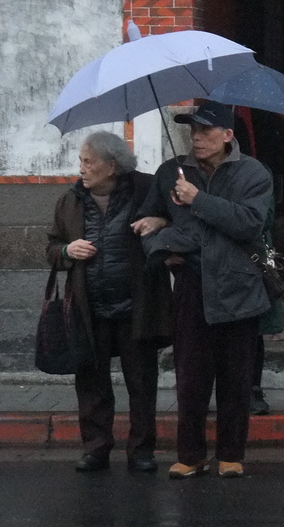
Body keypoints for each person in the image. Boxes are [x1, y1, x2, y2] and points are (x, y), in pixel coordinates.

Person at [131, 100, 273, 480]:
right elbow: (145, 223)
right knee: (190, 377)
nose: (196, 138)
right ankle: (190, 454)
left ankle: (231, 453)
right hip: (192, 286)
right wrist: (162, 249)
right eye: (192, 130)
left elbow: (248, 224)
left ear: (228, 135)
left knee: (236, 378)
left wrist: (198, 199)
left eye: (206, 131)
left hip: (238, 286)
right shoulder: (170, 172)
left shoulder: (252, 173)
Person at [45, 131, 172, 473]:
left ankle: (142, 450)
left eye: (89, 161)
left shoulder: (145, 190)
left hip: (137, 306)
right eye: (81, 161)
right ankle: (96, 447)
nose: (81, 168)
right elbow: (51, 248)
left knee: (142, 382)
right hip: (90, 308)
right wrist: (67, 251)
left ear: (111, 166)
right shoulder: (70, 201)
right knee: (90, 381)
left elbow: (176, 219)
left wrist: (160, 220)